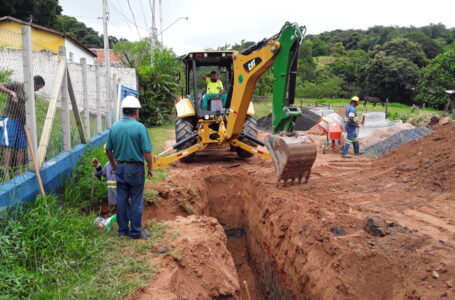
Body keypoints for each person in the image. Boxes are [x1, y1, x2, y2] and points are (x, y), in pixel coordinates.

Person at [105, 95, 153, 240]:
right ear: (136, 112)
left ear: (123, 111)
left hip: (120, 168)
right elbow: (147, 152)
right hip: (135, 170)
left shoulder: (114, 127)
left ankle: (122, 231)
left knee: (122, 199)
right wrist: (150, 167)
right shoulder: (140, 127)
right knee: (136, 200)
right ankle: (135, 232)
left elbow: (108, 150)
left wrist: (113, 163)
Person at [0, 76, 45, 178]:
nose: (37, 90)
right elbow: (0, 86)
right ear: (33, 83)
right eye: (37, 87)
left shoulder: (33, 96)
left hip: (23, 123)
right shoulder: (17, 85)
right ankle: (6, 172)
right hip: (10, 118)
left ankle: (19, 171)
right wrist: (11, 93)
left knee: (21, 147)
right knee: (9, 146)